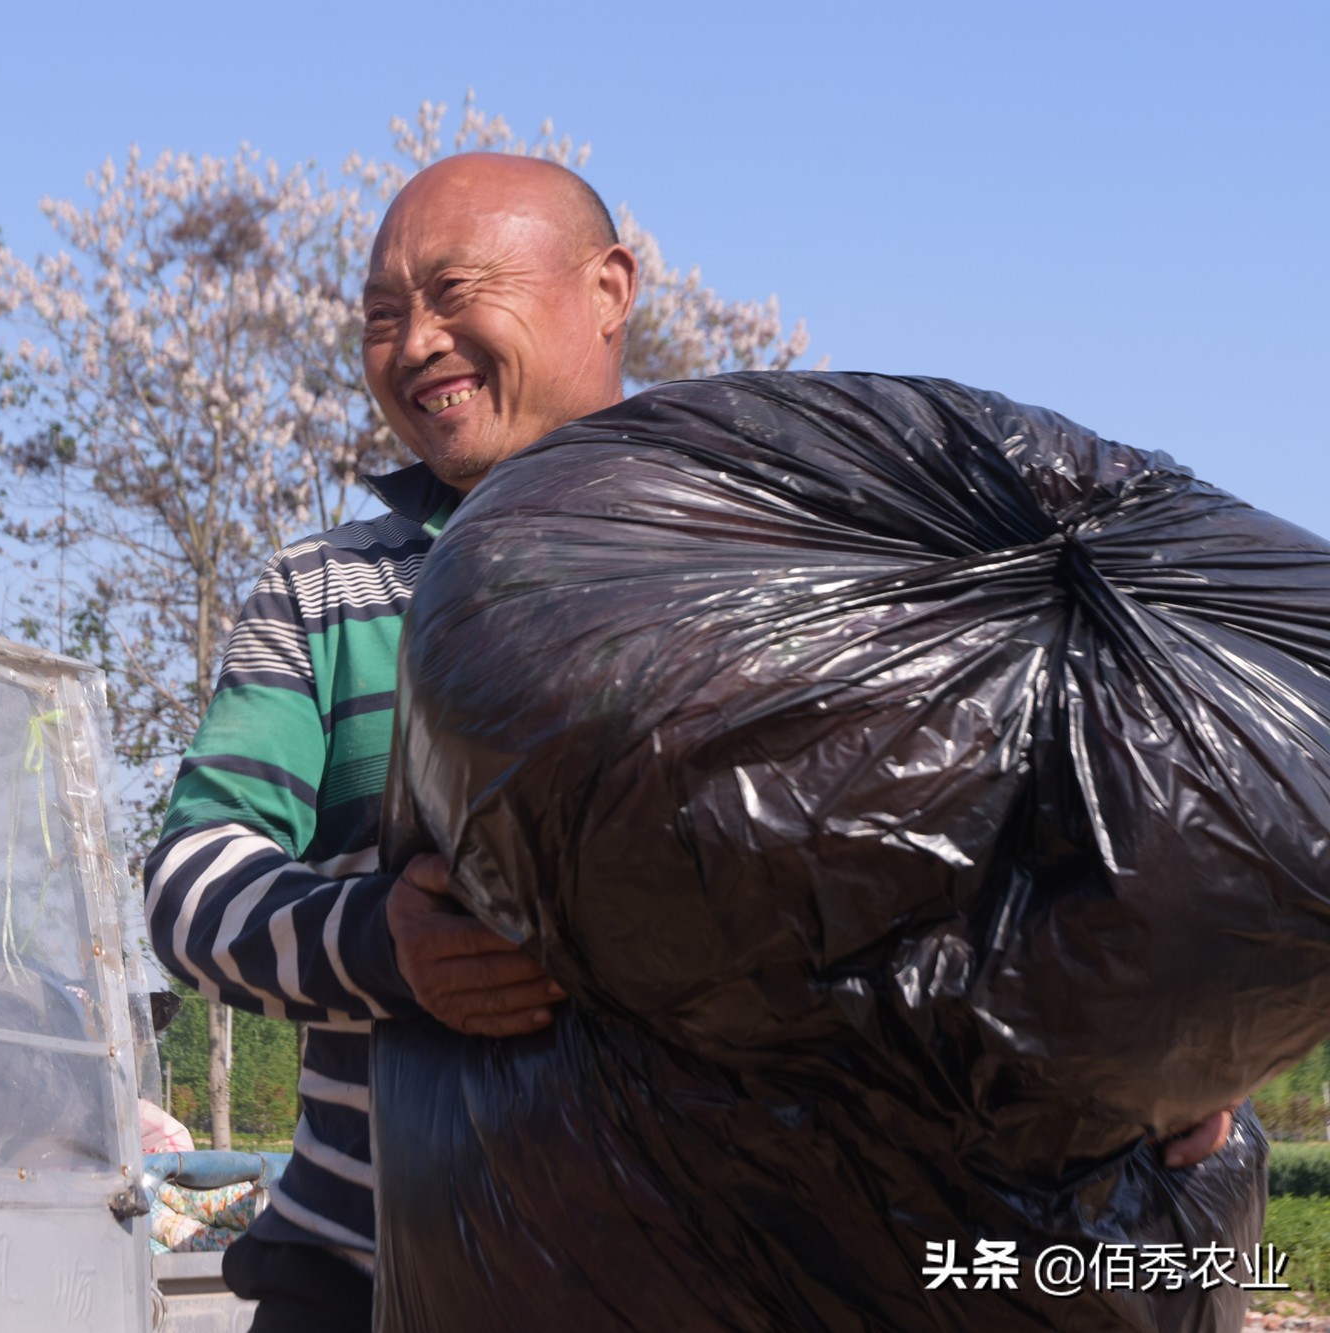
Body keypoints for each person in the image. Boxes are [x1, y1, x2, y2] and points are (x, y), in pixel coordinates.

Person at [142, 152, 1236, 1332]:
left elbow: (975, 863)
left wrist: (1150, 1048)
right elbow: (193, 883)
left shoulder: (785, 561)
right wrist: (386, 948)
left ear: (608, 290)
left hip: (721, 1274)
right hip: (364, 1276)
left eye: (456, 292)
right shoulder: (327, 590)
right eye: (380, 316)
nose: (415, 343)